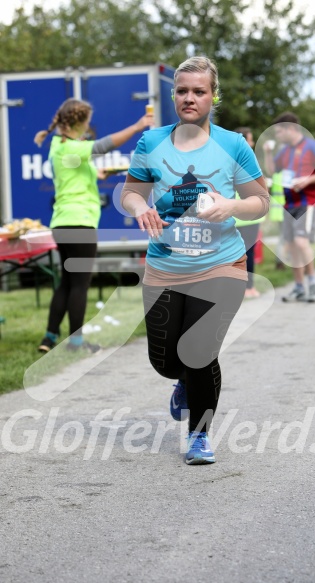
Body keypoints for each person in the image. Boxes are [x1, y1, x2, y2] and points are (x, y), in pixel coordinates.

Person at [120, 56, 269, 465]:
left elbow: (261, 203)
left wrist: (231, 205)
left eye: (199, 91)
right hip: (165, 265)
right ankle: (181, 381)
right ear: (174, 94)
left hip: (221, 263)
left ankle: (199, 436)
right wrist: (137, 208)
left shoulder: (233, 145)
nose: (190, 98)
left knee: (199, 351)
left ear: (212, 95)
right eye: (183, 90)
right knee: (166, 361)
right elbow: (132, 191)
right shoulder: (152, 143)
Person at [35, 98, 153, 353]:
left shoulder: (60, 146)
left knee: (66, 282)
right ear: (79, 123)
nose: (89, 128)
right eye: (87, 123)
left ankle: (49, 338)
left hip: (62, 222)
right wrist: (137, 127)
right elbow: (103, 145)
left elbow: (81, 170)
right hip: (81, 222)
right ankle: (76, 342)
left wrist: (103, 174)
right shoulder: (74, 149)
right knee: (80, 284)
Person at [264, 112, 315, 302]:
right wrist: (269, 153)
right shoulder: (284, 151)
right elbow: (272, 170)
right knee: (293, 247)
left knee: (302, 243)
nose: (277, 135)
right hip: (289, 204)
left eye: (279, 132)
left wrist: (307, 180)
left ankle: (313, 284)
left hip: (307, 202)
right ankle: (299, 286)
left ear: (291, 129)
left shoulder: (311, 146)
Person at [233, 127, 263, 298]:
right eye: (250, 140)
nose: (252, 143)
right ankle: (249, 288)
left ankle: (240, 288)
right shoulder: (250, 161)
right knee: (248, 252)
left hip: (235, 215)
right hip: (248, 215)